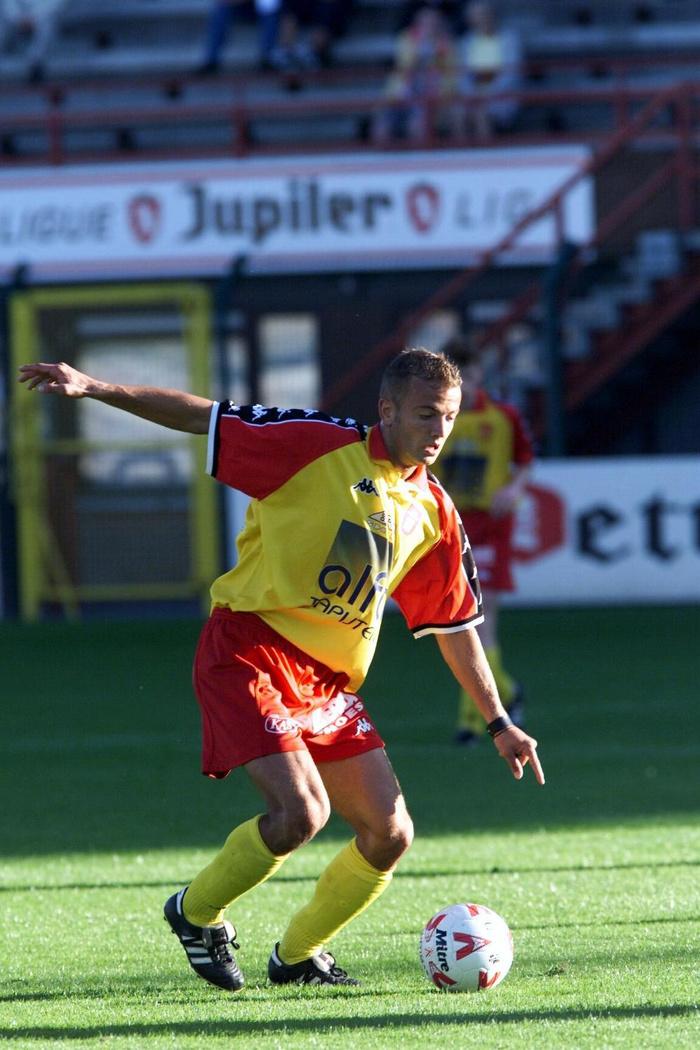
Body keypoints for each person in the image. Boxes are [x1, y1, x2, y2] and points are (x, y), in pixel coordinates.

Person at [18, 348, 544, 991]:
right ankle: (195, 912)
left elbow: (456, 625)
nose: (440, 431)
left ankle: (297, 956)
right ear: (387, 409)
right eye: (426, 414)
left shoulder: (434, 511)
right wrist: (94, 387)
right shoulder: (316, 445)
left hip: (325, 686)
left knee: (389, 833)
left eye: (450, 417)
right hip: (249, 651)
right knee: (301, 814)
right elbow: (204, 417)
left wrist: (498, 721)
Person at [433, 336, 534, 745]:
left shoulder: (504, 416)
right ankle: (507, 693)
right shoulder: (433, 418)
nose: (464, 384)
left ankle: (472, 722)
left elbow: (525, 460)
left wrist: (513, 489)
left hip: (490, 526)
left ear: (478, 375)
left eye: (469, 376)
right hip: (448, 525)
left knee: (479, 618)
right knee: (455, 621)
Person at [373, 4, 458, 144]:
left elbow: (450, 75)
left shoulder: (447, 43)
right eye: (427, 21)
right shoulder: (406, 38)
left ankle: (418, 156)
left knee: (417, 125)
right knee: (381, 127)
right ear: (419, 23)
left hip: (431, 96)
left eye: (434, 22)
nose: (431, 25)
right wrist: (423, 45)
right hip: (402, 94)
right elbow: (405, 65)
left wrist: (441, 96)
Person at [459, 0, 523, 140]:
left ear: (492, 15)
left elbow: (511, 75)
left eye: (484, 14)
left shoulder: (509, 39)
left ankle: (485, 151)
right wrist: (473, 94)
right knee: (457, 114)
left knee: (480, 114)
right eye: (477, 16)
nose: (482, 19)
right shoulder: (466, 42)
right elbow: (463, 77)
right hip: (473, 97)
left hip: (501, 97)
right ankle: (460, 152)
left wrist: (487, 94)